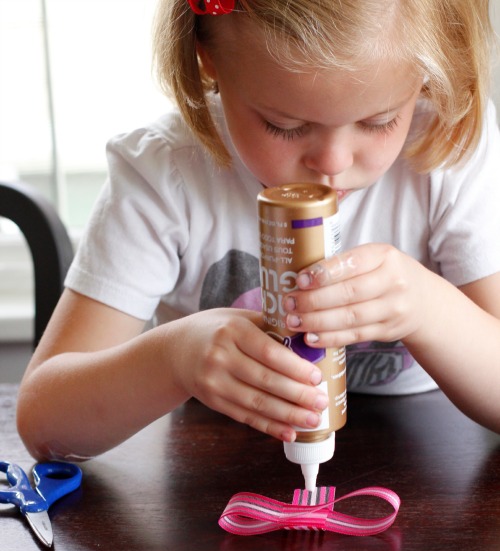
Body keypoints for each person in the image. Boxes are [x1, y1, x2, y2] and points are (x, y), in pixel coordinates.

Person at [17, 0, 500, 462]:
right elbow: (45, 422)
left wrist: (426, 307)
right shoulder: (166, 176)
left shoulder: (448, 151)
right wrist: (173, 359)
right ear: (208, 59)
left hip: (431, 471)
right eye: (284, 125)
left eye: (379, 121)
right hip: (212, 482)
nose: (332, 163)